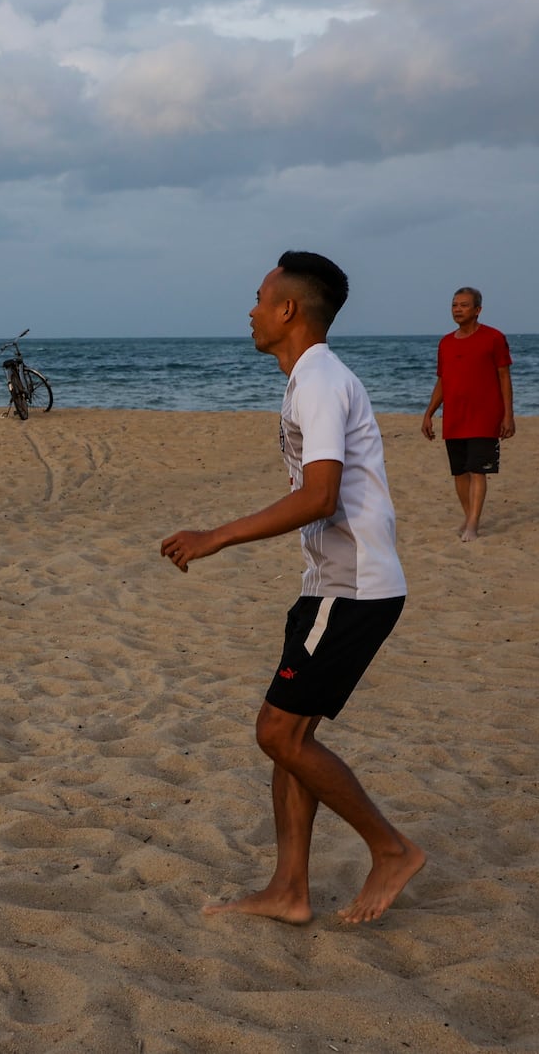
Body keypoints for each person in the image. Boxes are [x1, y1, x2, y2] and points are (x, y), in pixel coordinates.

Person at [160, 251, 425, 925]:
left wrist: (215, 535)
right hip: (332, 582)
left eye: (258, 297)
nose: (249, 309)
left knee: (278, 733)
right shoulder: (309, 377)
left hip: (353, 586)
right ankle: (289, 889)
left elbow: (320, 494)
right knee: (290, 729)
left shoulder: (319, 379)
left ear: (288, 310)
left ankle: (390, 848)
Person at [420, 287, 514, 542]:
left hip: (485, 416)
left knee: (477, 470)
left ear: (477, 310)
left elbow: (504, 377)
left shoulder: (494, 338)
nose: (457, 310)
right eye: (454, 305)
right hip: (455, 417)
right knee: (459, 472)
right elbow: (442, 381)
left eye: (463, 305)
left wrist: (508, 415)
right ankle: (469, 515)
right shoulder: (446, 343)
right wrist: (429, 412)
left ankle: (473, 523)